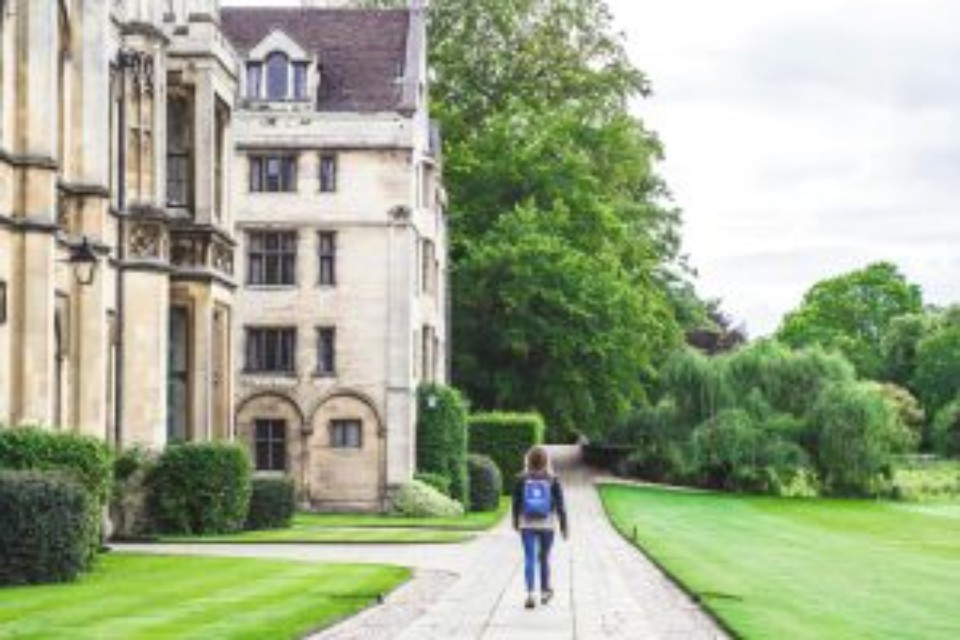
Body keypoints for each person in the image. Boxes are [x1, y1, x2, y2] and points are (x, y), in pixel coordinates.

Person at [512, 445, 569, 609]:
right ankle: (544, 592)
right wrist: (564, 527)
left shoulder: (521, 479)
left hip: (527, 523)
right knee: (544, 558)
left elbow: (515, 504)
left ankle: (530, 594)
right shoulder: (553, 479)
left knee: (529, 558)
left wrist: (515, 521)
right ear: (546, 460)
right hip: (547, 524)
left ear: (528, 460)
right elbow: (560, 506)